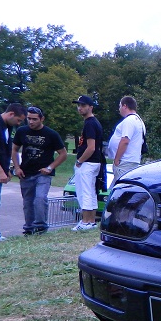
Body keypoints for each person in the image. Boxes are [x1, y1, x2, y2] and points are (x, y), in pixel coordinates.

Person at [11, 106, 68, 235]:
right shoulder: (22, 131)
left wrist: (50, 167)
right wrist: (17, 167)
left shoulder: (51, 134)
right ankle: (29, 228)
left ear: (42, 119)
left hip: (42, 173)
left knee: (40, 199)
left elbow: (63, 154)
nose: (31, 122)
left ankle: (41, 227)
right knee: (28, 202)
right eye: (29, 119)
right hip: (25, 172)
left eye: (34, 119)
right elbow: (14, 149)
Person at [0, 103, 27, 245]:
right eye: (19, 120)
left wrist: (7, 169)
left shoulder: (7, 126)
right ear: (11, 114)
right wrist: (0, 171)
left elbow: (5, 150)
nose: (19, 123)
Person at [71, 95, 104, 231]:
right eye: (78, 105)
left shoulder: (90, 123)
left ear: (90, 107)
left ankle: (85, 222)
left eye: (83, 105)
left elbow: (91, 147)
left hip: (89, 162)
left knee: (84, 192)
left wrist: (80, 161)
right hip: (94, 162)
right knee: (90, 192)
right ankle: (91, 221)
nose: (80, 108)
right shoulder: (93, 122)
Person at [107, 95, 146, 187]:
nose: (119, 109)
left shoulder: (130, 120)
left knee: (121, 189)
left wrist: (117, 159)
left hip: (124, 162)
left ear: (125, 106)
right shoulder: (139, 121)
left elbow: (125, 141)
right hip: (130, 161)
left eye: (120, 106)